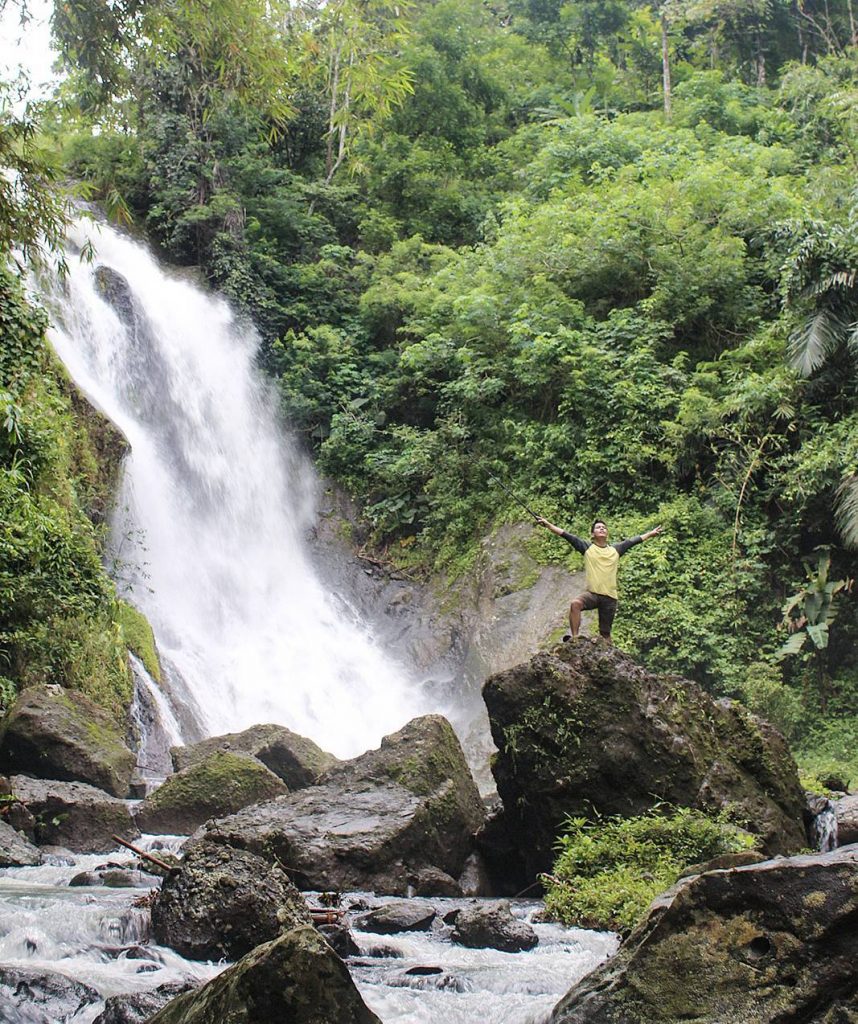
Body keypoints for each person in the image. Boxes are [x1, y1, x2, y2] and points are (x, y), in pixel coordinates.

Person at [536, 516, 663, 642]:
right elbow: (566, 535)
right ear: (592, 533)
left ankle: (610, 656)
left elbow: (634, 541)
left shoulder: (616, 549)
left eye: (604, 528)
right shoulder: (587, 547)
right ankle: (575, 638)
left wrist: (651, 534)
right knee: (575, 604)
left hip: (610, 597)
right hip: (593, 594)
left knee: (605, 634)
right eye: (598, 527)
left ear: (607, 533)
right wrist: (548, 524)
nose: (602, 529)